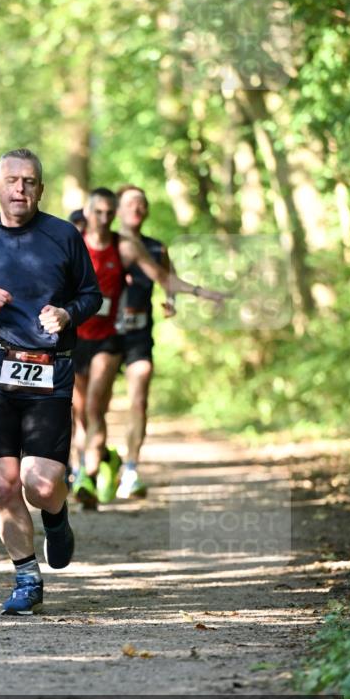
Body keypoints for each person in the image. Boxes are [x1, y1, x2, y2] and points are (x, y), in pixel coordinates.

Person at [0, 148, 102, 616]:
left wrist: (67, 313)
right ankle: (26, 578)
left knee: (41, 485)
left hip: (49, 372)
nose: (20, 189)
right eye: (12, 180)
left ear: (40, 189)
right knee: (3, 485)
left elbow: (91, 295)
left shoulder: (63, 236)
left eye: (29, 181)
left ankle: (56, 515)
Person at [72, 186, 228, 510]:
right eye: (99, 212)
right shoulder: (72, 242)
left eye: (108, 213)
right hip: (77, 338)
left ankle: (100, 474)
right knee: (81, 410)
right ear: (88, 212)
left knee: (100, 406)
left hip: (115, 338)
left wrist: (202, 293)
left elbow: (164, 278)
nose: (104, 219)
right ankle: (95, 463)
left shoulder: (131, 247)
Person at [115, 184, 175, 499]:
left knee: (139, 400)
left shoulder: (156, 248)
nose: (136, 209)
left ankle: (131, 469)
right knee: (88, 406)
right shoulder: (105, 243)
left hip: (138, 334)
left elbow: (169, 280)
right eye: (130, 203)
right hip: (103, 334)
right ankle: (86, 465)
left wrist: (171, 301)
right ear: (117, 210)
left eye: (141, 203)